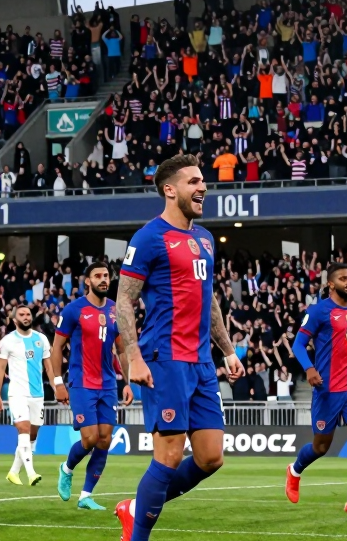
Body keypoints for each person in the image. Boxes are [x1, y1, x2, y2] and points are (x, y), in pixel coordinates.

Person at [114, 154, 244, 541]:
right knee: (168, 457)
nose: (202, 187)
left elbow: (210, 300)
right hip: (165, 359)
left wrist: (228, 350)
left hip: (202, 362)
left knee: (210, 458)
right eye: (194, 181)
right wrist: (133, 357)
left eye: (203, 181)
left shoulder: (204, 239)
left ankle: (135, 508)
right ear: (170, 190)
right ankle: (138, 535)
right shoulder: (149, 237)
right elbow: (124, 301)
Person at [286, 262, 347, 513]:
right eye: (343, 278)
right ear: (331, 284)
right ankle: (295, 470)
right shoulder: (319, 311)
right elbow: (298, 344)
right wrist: (309, 368)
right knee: (321, 447)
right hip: (327, 388)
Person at [51, 261, 133, 510]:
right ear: (87, 281)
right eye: (97, 276)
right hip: (82, 383)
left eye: (106, 275)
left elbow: (121, 349)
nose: (103, 279)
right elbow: (56, 347)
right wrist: (58, 383)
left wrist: (128, 383)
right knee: (90, 439)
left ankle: (85, 495)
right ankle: (66, 468)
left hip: (108, 384)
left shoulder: (114, 310)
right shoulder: (73, 310)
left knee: (105, 440)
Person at [0, 305, 57, 486]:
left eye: (28, 314)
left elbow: (49, 367)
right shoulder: (7, 341)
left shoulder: (42, 339)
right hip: (17, 393)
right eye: (21, 315)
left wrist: (56, 385)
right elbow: (0, 369)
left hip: (37, 395)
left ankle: (14, 472)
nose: (26, 317)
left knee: (33, 434)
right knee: (23, 428)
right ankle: (31, 473)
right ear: (15, 320)